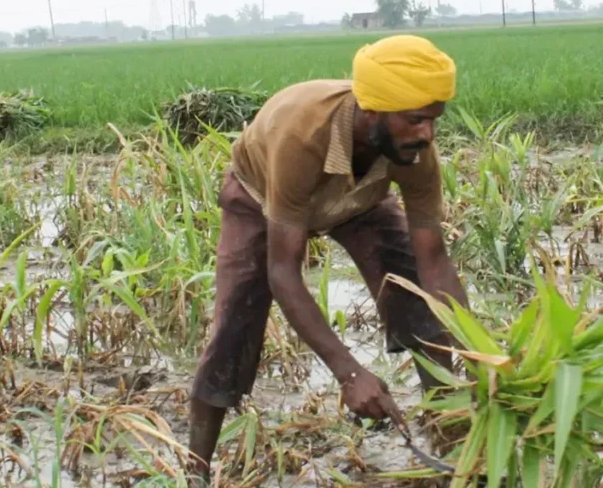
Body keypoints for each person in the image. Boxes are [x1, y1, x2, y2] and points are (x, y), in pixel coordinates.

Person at [187, 34, 470, 481]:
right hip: (262, 198)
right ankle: (195, 471)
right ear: (373, 110)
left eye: (434, 120)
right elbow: (283, 272)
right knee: (234, 329)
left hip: (360, 202)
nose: (427, 134)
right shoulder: (301, 136)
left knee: (415, 296)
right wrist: (349, 373)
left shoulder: (413, 151)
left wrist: (477, 354)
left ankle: (453, 444)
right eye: (416, 120)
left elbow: (434, 261)